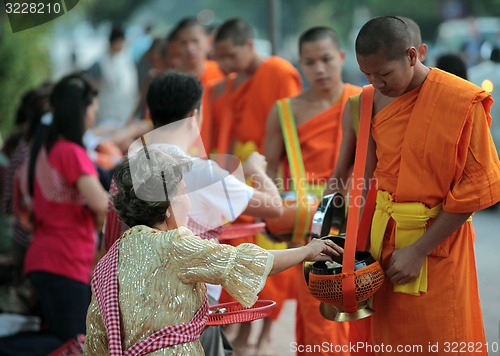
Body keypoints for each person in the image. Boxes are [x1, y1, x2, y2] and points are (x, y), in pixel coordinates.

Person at [327, 15, 500, 353]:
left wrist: (419, 250)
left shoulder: (462, 100)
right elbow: (364, 179)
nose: (377, 83)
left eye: (385, 74)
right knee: (387, 339)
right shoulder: (369, 100)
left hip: (437, 245)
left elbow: (477, 188)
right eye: (368, 75)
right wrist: (346, 245)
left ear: (412, 55)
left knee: (440, 337)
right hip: (381, 245)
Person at [83, 146, 344, 355]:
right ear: (167, 207)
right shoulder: (174, 244)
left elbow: (97, 339)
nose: (187, 202)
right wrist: (308, 250)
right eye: (184, 194)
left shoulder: (109, 261)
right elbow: (246, 261)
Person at [101, 71, 285, 356]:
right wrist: (255, 169)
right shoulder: (198, 171)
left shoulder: (126, 170)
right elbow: (274, 208)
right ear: (195, 115)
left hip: (129, 306)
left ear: (150, 112)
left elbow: (109, 238)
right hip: (187, 314)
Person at [263, 26, 363, 356]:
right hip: (308, 227)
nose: (319, 69)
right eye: (309, 62)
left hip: (360, 222)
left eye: (326, 59)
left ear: (342, 58)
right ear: (300, 64)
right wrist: (277, 215)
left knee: (362, 318)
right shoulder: (284, 111)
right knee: (320, 316)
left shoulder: (363, 100)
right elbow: (273, 172)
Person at [212, 18, 302, 353]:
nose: (224, 65)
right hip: (242, 172)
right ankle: (247, 328)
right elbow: (234, 130)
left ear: (249, 45)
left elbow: (291, 126)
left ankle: (264, 332)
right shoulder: (236, 82)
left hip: (270, 170)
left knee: (270, 251)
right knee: (242, 253)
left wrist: (276, 176)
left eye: (229, 55)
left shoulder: (278, 71)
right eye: (220, 57)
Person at [23, 74, 109, 346]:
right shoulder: (71, 152)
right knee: (73, 345)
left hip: (49, 258)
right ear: (80, 111)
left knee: (65, 341)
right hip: (64, 261)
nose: (94, 116)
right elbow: (102, 204)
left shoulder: (49, 148)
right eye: (94, 110)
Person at [169, 17, 225, 153]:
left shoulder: (222, 75)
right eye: (183, 43)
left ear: (208, 41)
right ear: (176, 47)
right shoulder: (170, 82)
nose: (190, 48)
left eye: (195, 41)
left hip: (220, 156)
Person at [86, 25, 139, 128]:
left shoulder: (127, 61)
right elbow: (93, 89)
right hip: (104, 117)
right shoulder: (100, 63)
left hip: (124, 115)